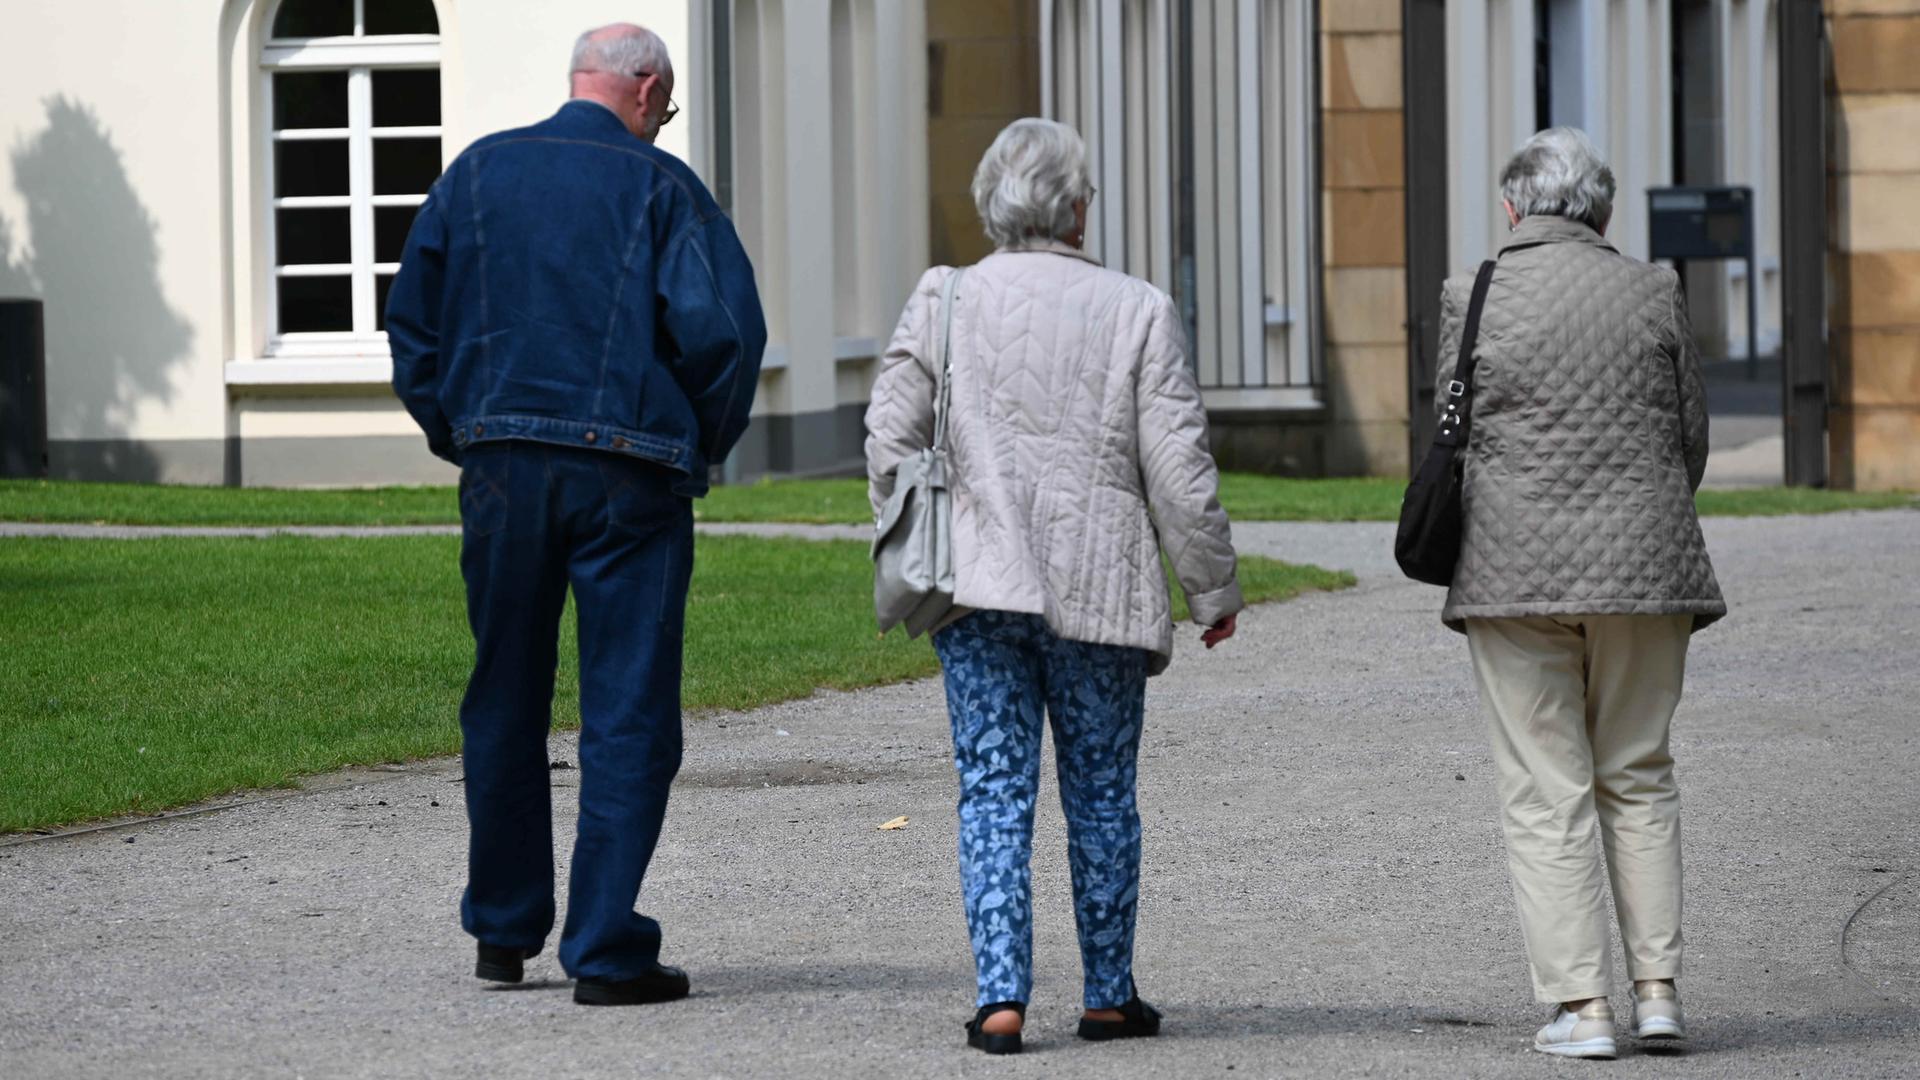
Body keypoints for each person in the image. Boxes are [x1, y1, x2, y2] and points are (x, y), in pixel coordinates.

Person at [385, 23, 765, 1007]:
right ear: (646, 92)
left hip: (502, 467)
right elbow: (724, 336)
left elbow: (414, 330)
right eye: (667, 110)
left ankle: (503, 933)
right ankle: (602, 948)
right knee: (627, 708)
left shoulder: (473, 174)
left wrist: (464, 431)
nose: (662, 124)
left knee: (503, 695)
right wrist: (696, 443)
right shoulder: (661, 187)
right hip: (629, 471)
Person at [866, 118, 1243, 1055]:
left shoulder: (945, 298)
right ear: (1077, 208)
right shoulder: (1138, 308)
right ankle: (1109, 994)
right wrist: (1212, 588)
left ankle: (1000, 997)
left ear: (992, 203)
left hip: (979, 588)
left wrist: (921, 521)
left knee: (993, 791)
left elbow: (888, 431)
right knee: (1103, 791)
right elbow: (1179, 469)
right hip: (1100, 588)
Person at [1433, 127, 1726, 1058]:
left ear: (1515, 208)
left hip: (1512, 571)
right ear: (1601, 210)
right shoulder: (1655, 289)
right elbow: (1691, 440)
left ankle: (1579, 1008)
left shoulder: (1471, 294)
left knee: (1543, 787)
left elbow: (1453, 433)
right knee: (1638, 773)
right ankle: (1657, 993)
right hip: (1645, 567)